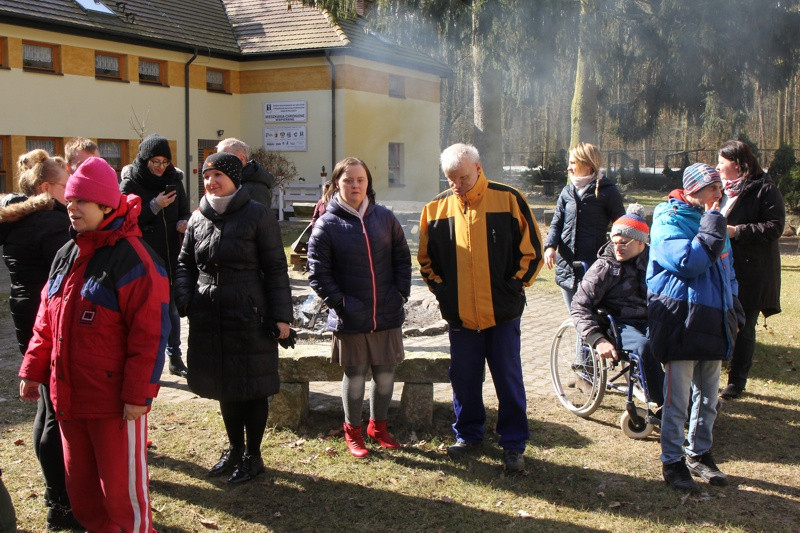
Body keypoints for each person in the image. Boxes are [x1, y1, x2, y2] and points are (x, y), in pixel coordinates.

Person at [18, 157, 169, 531]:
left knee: (121, 497)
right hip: (69, 398)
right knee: (82, 491)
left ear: (105, 204)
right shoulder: (66, 254)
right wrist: (33, 370)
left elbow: (149, 335)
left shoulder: (136, 260)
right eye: (68, 201)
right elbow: (45, 322)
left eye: (80, 201)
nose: (71, 208)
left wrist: (138, 395)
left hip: (115, 405)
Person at [418, 143, 543, 473]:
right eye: (450, 179)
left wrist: (512, 287)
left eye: (461, 177)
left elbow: (533, 252)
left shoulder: (509, 198)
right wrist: (444, 293)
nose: (456, 184)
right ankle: (468, 436)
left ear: (478, 167)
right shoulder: (434, 209)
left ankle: (514, 443)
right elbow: (426, 260)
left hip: (502, 314)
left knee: (508, 379)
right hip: (460, 314)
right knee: (464, 379)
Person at [174, 152, 292, 484]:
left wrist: (282, 316)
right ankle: (234, 450)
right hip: (209, 314)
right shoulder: (199, 217)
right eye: (207, 176)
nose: (211, 182)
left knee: (251, 386)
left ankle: (253, 456)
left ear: (234, 180)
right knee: (226, 386)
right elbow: (184, 264)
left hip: (249, 312)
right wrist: (185, 299)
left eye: (218, 176)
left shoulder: (257, 214)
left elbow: (275, 268)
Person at [647, 163, 744, 492]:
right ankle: (672, 461)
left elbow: (727, 270)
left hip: (714, 320)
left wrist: (734, 310)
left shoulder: (715, 220)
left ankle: (699, 454)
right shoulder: (667, 218)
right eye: (712, 188)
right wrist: (713, 224)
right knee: (678, 400)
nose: (719, 194)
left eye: (719, 188)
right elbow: (688, 263)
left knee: (708, 397)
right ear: (692, 190)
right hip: (681, 321)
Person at [307, 157, 411, 458]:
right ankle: (352, 430)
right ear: (337, 184)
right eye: (348, 180)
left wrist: (400, 293)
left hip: (387, 314)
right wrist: (341, 304)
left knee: (386, 374)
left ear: (368, 183)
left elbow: (402, 258)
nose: (355, 185)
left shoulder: (385, 218)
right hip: (350, 317)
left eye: (360, 180)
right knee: (355, 377)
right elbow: (318, 273)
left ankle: (378, 426)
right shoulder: (327, 224)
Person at [0, 150, 80, 529]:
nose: (74, 190)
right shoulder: (50, 224)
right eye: (68, 185)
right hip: (43, 324)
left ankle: (59, 497)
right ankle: (59, 503)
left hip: (28, 319)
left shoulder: (22, 216)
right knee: (53, 412)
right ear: (47, 188)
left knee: (46, 408)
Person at [570, 204, 664, 408]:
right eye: (614, 242)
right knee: (645, 346)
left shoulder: (654, 261)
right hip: (617, 324)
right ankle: (663, 404)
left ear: (641, 242)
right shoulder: (604, 267)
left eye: (624, 243)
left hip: (651, 318)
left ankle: (691, 400)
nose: (617, 247)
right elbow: (579, 307)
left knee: (674, 340)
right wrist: (597, 339)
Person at [716, 140, 785, 400]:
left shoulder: (765, 189)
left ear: (737, 165)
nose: (718, 167)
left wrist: (737, 232)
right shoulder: (722, 190)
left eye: (722, 163)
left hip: (752, 271)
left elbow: (775, 227)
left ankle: (737, 382)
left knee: (744, 325)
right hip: (724, 266)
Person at [121, 134, 190, 378]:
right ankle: (149, 362)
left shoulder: (174, 179)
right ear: (144, 159)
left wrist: (184, 222)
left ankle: (175, 357)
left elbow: (184, 210)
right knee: (148, 314)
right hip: (144, 255)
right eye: (155, 162)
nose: (161, 167)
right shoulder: (131, 183)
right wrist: (154, 206)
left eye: (165, 162)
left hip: (171, 253)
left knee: (171, 309)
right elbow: (126, 221)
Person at [543, 142, 625, 311]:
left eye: (573, 163)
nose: (568, 168)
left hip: (593, 267)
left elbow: (621, 226)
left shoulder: (608, 192)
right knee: (574, 318)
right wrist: (550, 246)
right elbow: (556, 223)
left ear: (587, 165)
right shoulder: (567, 191)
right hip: (567, 266)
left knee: (589, 319)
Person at [216, 137, 276, 209]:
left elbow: (256, 218)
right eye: (218, 157)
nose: (219, 161)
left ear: (242, 158)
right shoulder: (225, 181)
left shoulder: (256, 188)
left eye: (224, 157)